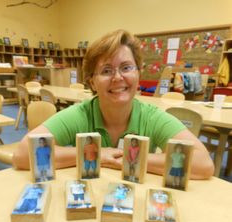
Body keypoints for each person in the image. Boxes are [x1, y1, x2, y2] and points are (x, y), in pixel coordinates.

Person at [13, 29, 214, 180]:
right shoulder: (80, 114)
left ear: (138, 74)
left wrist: (127, 157)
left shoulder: (152, 117)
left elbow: (203, 164)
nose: (118, 77)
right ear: (92, 81)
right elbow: (22, 155)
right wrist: (96, 154)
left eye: (126, 67)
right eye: (107, 71)